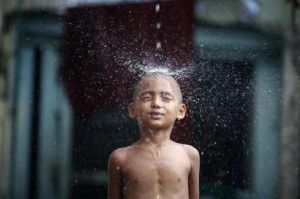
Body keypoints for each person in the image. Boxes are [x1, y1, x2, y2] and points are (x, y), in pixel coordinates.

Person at [108, 72, 200, 199]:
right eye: (146, 97)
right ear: (132, 110)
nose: (156, 103)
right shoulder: (121, 158)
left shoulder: (189, 155)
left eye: (166, 98)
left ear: (181, 111)